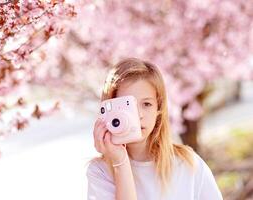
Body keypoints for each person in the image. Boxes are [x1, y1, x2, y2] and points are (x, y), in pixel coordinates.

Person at [86, 58, 223, 200]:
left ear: (158, 109)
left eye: (146, 104)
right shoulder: (100, 171)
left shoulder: (188, 164)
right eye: (127, 106)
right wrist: (120, 162)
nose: (138, 115)